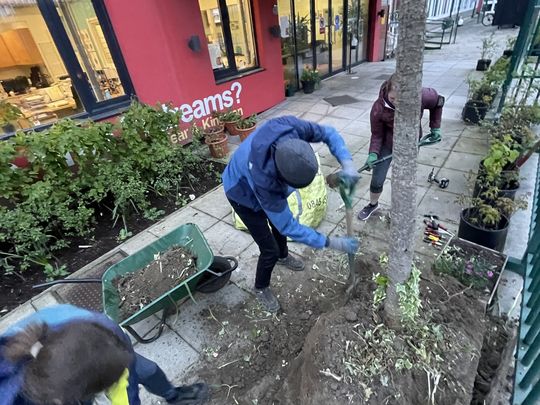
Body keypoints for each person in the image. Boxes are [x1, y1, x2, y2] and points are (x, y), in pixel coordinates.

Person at [222, 116, 360, 313]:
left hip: (256, 174)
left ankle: (283, 256)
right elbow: (288, 226)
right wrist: (333, 243)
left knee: (279, 231)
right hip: (240, 192)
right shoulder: (265, 181)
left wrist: (348, 164)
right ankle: (261, 287)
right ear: (282, 177)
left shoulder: (289, 127)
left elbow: (329, 133)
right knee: (268, 248)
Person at [0, 304, 209, 405]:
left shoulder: (103, 333)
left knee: (148, 370)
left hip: (95, 355)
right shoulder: (10, 391)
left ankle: (174, 396)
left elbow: (126, 392)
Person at [357, 74, 444, 221]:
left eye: (401, 99)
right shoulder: (378, 108)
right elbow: (377, 135)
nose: (397, 103)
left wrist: (435, 127)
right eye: (392, 99)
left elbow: (438, 101)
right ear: (387, 92)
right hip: (387, 143)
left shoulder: (420, 95)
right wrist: (373, 154)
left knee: (403, 180)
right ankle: (373, 204)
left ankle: (399, 209)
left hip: (410, 144)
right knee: (377, 178)